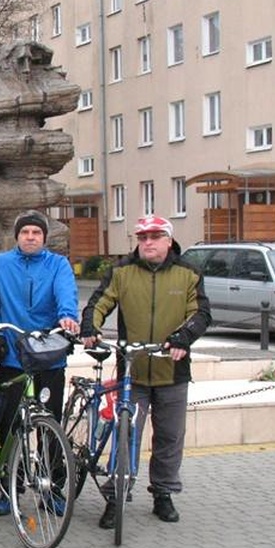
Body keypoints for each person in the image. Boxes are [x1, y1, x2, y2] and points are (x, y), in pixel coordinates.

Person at [80, 214, 211, 528]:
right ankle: (116, 496)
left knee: (170, 436)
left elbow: (201, 313)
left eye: (154, 237)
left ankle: (163, 493)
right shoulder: (122, 271)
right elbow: (99, 303)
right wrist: (90, 326)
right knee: (126, 433)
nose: (147, 243)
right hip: (132, 370)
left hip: (172, 369)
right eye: (142, 238)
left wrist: (183, 337)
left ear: (168, 240)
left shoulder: (188, 273)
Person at [0, 210, 80, 516]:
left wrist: (67, 316)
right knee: (10, 427)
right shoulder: (0, 264)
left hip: (48, 358)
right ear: (17, 236)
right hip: (12, 355)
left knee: (50, 426)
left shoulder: (58, 264)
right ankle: (10, 489)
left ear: (45, 238)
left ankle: (52, 489)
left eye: (37, 233)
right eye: (25, 232)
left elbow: (66, 295)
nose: (31, 237)